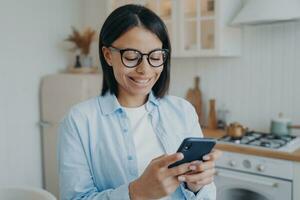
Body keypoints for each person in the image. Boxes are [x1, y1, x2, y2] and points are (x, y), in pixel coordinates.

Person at [58, 4, 222, 200]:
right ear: (108, 55)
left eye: (155, 57)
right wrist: (136, 192)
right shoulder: (80, 121)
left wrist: (197, 186)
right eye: (131, 56)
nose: (145, 70)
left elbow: (207, 194)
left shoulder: (182, 110)